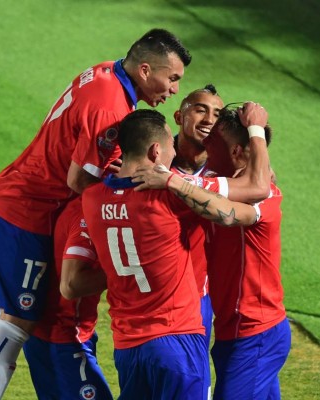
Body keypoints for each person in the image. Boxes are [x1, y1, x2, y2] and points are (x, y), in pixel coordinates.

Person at [0, 28, 191, 399]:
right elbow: (79, 179)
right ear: (145, 70)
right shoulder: (111, 105)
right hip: (28, 212)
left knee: (6, 301)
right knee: (20, 318)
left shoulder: (104, 73)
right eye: (172, 78)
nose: (174, 89)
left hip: (15, 199)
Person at [81, 104, 269, 400]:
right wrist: (256, 130)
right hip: (176, 339)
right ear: (156, 151)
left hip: (128, 345)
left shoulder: (92, 198)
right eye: (171, 147)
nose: (174, 155)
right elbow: (257, 188)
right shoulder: (170, 194)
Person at [133, 106, 291, 400]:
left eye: (213, 141)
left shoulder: (263, 193)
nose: (205, 144)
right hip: (235, 330)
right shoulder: (222, 182)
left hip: (256, 332)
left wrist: (171, 180)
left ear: (236, 153)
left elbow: (228, 215)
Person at [23, 197, 113, 400]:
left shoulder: (64, 202)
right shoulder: (86, 212)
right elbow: (72, 284)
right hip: (65, 336)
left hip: (45, 331)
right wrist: (126, 270)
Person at [170, 84, 224, 397]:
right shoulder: (154, 157)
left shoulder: (225, 172)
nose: (208, 119)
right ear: (179, 115)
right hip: (150, 296)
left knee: (195, 386)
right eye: (200, 109)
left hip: (197, 296)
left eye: (217, 114)